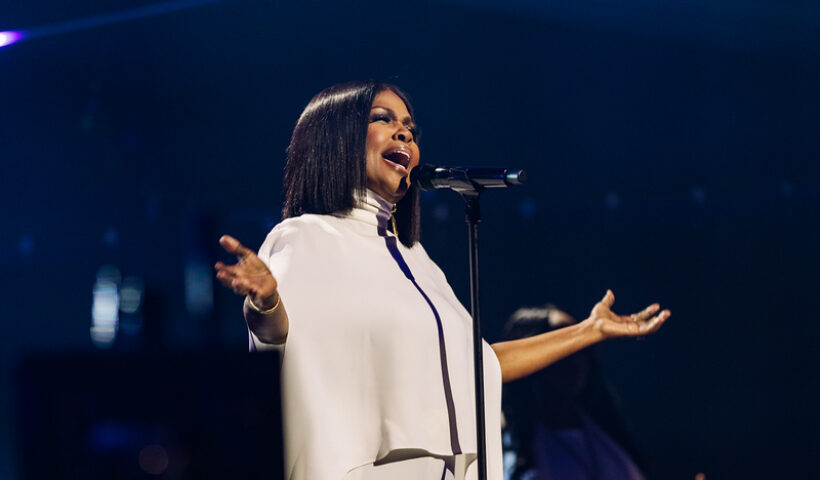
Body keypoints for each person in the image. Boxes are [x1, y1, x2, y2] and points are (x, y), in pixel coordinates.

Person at [214, 80, 670, 480]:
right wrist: (267, 303)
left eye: (410, 126)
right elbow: (279, 346)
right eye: (383, 118)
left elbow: (477, 367)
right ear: (335, 138)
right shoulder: (305, 236)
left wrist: (589, 330)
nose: (405, 132)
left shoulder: (417, 260)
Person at [500, 305, 648, 480]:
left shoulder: (608, 431)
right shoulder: (511, 443)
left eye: (581, 347)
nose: (575, 360)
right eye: (562, 349)